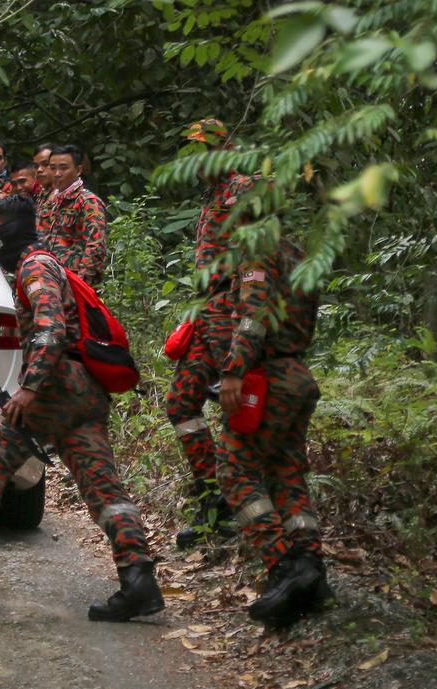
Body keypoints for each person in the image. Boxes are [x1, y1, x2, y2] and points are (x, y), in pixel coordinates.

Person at [0, 194, 164, 623]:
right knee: (103, 487)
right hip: (83, 391)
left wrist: (27, 391)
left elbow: (50, 331)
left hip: (55, 388)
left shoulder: (35, 266)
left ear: (11, 228)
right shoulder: (46, 264)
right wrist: (17, 396)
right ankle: (139, 579)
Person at [215, 219, 331, 628]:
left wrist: (234, 370)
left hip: (269, 378)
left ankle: (282, 567)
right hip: (296, 375)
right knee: (285, 471)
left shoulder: (259, 251)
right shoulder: (296, 252)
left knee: (234, 469)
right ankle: (310, 567)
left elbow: (253, 315)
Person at [168, 118, 248, 549]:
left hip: (233, 313)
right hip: (207, 311)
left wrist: (242, 312)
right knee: (182, 403)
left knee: (239, 410)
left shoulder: (243, 189)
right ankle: (211, 499)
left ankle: (249, 509)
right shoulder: (213, 194)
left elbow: (260, 256)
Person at [36, 145, 109, 284]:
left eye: (63, 168)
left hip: (74, 282)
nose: (57, 173)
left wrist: (82, 283)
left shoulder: (88, 202)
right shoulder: (48, 201)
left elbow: (95, 247)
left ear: (78, 170)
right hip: (45, 280)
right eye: (53, 168)